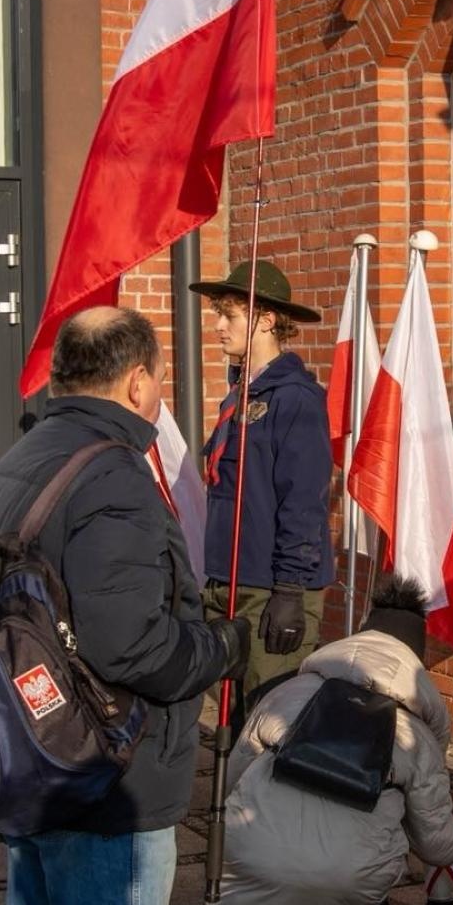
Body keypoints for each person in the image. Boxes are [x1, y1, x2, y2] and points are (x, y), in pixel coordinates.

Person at [0, 306, 250, 905]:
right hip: (105, 775)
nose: (159, 392)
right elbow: (131, 643)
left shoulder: (23, 452)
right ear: (135, 384)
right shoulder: (112, 474)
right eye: (157, 377)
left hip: (29, 749)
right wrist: (223, 645)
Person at [204, 575, 453, 905]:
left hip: (254, 858)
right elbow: (436, 845)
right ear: (413, 656)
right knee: (391, 819)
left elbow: (232, 780)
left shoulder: (284, 693)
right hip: (352, 878)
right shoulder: (415, 737)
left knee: (251, 827)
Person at [193, 260, 333, 716]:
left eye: (229, 316)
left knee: (265, 722)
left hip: (270, 590)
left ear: (266, 320)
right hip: (228, 581)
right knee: (232, 721)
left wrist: (290, 589)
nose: (217, 326)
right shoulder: (240, 394)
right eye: (219, 314)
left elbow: (304, 501)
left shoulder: (294, 399)